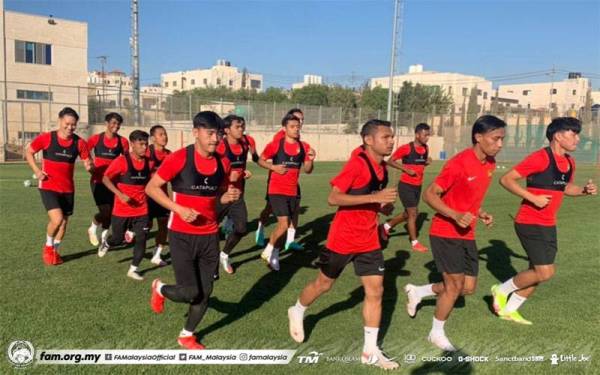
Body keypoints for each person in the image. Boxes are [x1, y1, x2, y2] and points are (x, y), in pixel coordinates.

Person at [287, 119, 399, 370]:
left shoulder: (382, 169)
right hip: (344, 238)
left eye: (392, 137)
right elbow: (333, 197)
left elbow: (370, 200)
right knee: (323, 284)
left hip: (369, 239)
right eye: (385, 137)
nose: (391, 141)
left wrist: (382, 205)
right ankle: (297, 309)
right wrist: (375, 197)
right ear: (368, 140)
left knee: (376, 291)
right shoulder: (357, 164)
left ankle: (370, 351)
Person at [404, 115, 506, 351]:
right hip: (445, 232)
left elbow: (466, 197)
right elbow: (430, 194)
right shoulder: (459, 163)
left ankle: (419, 291)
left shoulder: (489, 164)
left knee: (467, 288)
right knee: (453, 287)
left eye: (502, 139)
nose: (500, 144)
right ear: (478, 137)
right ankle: (436, 333)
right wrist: (455, 215)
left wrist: (479, 212)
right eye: (496, 138)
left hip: (467, 233)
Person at [146, 111, 241, 349]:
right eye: (210, 133)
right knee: (190, 291)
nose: (215, 139)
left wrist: (227, 197)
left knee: (204, 292)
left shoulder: (223, 162)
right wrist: (177, 208)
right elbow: (152, 188)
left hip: (209, 235)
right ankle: (159, 287)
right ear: (195, 132)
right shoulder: (179, 158)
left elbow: (216, 197)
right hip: (181, 235)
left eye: (218, 134)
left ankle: (186, 334)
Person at [491, 117, 597, 324]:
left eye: (577, 133)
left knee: (536, 272)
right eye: (573, 133)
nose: (577, 138)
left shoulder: (569, 162)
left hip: (549, 223)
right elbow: (506, 179)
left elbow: (566, 188)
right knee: (545, 272)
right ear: (558, 136)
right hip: (529, 221)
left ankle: (509, 310)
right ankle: (500, 290)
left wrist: (584, 190)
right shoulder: (540, 158)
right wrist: (533, 198)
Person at [25, 107, 92, 265]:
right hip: (48, 186)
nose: (70, 127)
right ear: (60, 121)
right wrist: (37, 170)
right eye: (67, 124)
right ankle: (48, 247)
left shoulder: (79, 143)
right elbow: (29, 152)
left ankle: (54, 250)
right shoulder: (47, 138)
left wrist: (90, 167)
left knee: (63, 224)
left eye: (73, 125)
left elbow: (87, 161)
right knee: (57, 219)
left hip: (68, 189)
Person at [258, 113, 315, 271]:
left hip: (292, 191)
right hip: (276, 190)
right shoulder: (276, 144)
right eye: (292, 127)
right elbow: (260, 160)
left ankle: (274, 255)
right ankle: (268, 250)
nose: (296, 129)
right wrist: (273, 167)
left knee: (289, 226)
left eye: (298, 126)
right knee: (283, 225)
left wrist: (311, 159)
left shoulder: (304, 146)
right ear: (284, 128)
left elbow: (308, 170)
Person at [98, 130, 153, 281]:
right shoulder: (122, 161)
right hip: (121, 211)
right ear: (132, 144)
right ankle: (107, 243)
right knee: (118, 239)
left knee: (142, 238)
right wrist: (120, 194)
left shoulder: (149, 162)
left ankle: (133, 269)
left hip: (142, 209)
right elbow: (105, 178)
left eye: (146, 144)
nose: (144, 147)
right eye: (141, 144)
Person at [255, 108, 306, 251]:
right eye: (297, 119)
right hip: (277, 182)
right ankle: (261, 227)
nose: (300, 123)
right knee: (269, 208)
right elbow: (268, 158)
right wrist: (274, 168)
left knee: (295, 210)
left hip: (292, 182)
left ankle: (289, 241)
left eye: (302, 120)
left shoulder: (298, 138)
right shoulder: (280, 138)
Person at [215, 115, 256, 274]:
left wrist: (243, 173)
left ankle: (224, 255)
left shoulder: (245, 145)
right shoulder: (220, 148)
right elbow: (212, 171)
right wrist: (227, 176)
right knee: (210, 229)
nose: (241, 129)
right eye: (237, 127)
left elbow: (247, 163)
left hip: (237, 196)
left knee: (241, 228)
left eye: (242, 126)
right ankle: (207, 259)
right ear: (226, 130)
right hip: (220, 195)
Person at [382, 123, 432, 252]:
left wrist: (426, 162)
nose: (427, 137)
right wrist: (406, 169)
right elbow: (390, 161)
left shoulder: (426, 148)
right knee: (413, 213)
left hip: (418, 186)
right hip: (406, 185)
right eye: (425, 135)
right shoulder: (406, 148)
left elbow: (420, 163)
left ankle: (387, 226)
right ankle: (414, 242)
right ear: (417, 135)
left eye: (428, 135)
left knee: (408, 213)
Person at [87, 112, 129, 246]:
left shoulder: (123, 142)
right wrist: (89, 164)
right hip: (98, 181)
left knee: (111, 212)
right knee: (105, 211)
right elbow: (84, 152)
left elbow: (127, 160)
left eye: (118, 124)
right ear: (106, 123)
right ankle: (92, 227)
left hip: (114, 183)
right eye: (113, 123)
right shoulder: (96, 139)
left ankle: (104, 238)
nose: (116, 126)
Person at [146, 124, 172, 266]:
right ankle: (130, 231)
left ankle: (156, 255)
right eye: (160, 134)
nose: (164, 137)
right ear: (153, 138)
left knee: (164, 225)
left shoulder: (170, 155)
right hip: (147, 196)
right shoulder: (146, 153)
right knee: (147, 225)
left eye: (165, 134)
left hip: (162, 197)